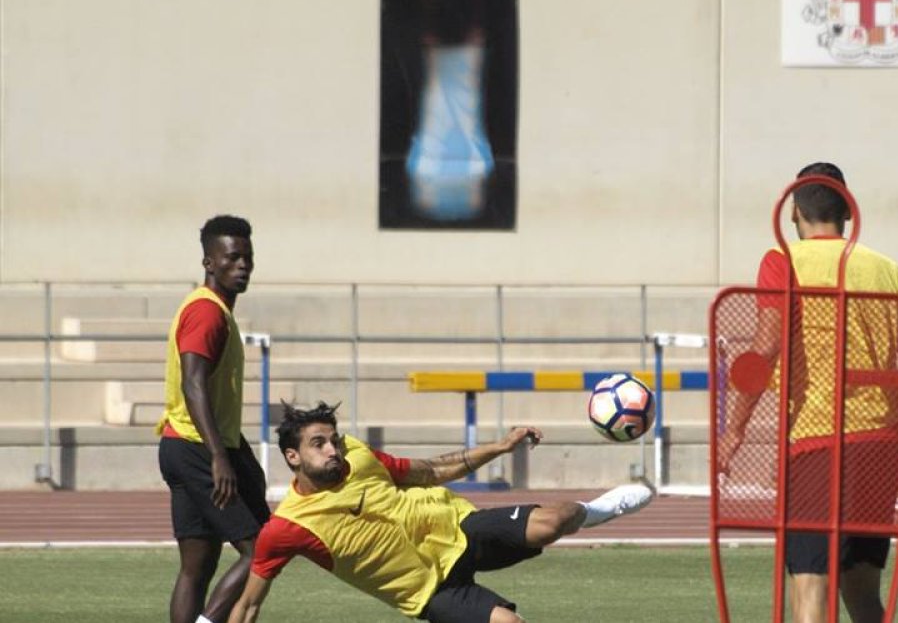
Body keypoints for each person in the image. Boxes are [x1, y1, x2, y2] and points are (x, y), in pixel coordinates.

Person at [718, 163, 898, 623]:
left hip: (818, 445)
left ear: (794, 211)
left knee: (809, 588)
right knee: (862, 594)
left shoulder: (784, 259)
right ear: (846, 209)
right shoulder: (886, 269)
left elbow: (767, 346)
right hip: (879, 451)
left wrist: (732, 431)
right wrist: (893, 422)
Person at [228, 401, 653, 623]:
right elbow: (247, 606)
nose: (333, 448)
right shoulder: (286, 528)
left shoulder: (357, 454)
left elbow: (430, 471)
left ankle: (597, 509)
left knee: (552, 524)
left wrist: (499, 447)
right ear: (292, 457)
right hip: (429, 593)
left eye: (334, 439)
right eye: (319, 443)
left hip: (458, 528)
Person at [157, 215, 268, 623]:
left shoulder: (213, 309)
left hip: (182, 444)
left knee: (197, 565)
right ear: (209, 262)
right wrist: (221, 457)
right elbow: (194, 383)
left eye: (248, 257)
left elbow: (210, 393)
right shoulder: (206, 312)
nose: (242, 265)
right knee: (263, 548)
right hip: (197, 449)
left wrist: (239, 454)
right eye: (232, 257)